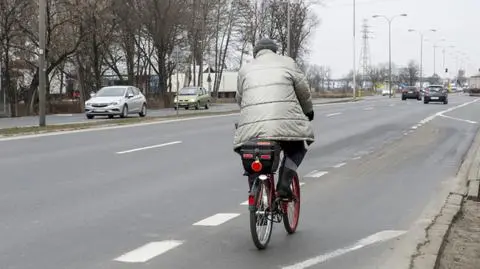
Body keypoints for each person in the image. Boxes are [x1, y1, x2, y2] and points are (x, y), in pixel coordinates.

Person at [233, 38, 315, 198]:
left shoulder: (245, 69)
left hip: (252, 127)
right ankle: (284, 183)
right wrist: (308, 111)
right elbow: (303, 92)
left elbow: (240, 98)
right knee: (296, 149)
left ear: (256, 53)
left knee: (251, 153)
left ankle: (255, 190)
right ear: (274, 50)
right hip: (285, 124)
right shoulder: (288, 63)